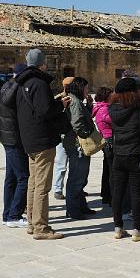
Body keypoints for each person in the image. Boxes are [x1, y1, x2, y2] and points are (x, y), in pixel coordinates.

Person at [12, 48, 70, 240]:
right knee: (43, 187)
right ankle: (41, 228)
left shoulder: (21, 83)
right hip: (43, 139)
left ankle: (31, 222)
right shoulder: (39, 83)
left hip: (28, 139)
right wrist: (60, 105)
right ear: (42, 64)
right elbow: (45, 111)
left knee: (33, 183)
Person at [108, 77, 140, 241]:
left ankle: (118, 227)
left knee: (117, 192)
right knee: (136, 193)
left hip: (118, 154)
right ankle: (138, 229)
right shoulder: (138, 109)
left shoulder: (112, 109)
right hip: (135, 153)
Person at [0, 63, 30, 228]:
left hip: (7, 137)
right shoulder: (16, 88)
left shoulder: (6, 85)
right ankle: (14, 215)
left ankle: (7, 214)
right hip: (14, 138)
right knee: (23, 177)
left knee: (11, 178)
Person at [62, 77, 97, 220]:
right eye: (86, 88)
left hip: (77, 144)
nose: (88, 91)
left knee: (81, 177)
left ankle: (80, 205)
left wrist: (88, 107)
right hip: (77, 145)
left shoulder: (76, 101)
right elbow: (77, 123)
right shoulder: (75, 102)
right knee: (76, 177)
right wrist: (87, 135)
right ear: (80, 88)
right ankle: (73, 209)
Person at [52, 76, 75, 200]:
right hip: (63, 134)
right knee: (61, 164)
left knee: (76, 164)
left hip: (74, 134)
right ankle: (58, 189)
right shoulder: (58, 98)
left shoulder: (77, 98)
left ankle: (75, 188)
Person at [92, 86, 114, 206]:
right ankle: (110, 196)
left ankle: (106, 194)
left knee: (107, 169)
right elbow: (115, 121)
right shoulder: (104, 109)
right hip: (109, 140)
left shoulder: (101, 108)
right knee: (112, 171)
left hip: (106, 140)